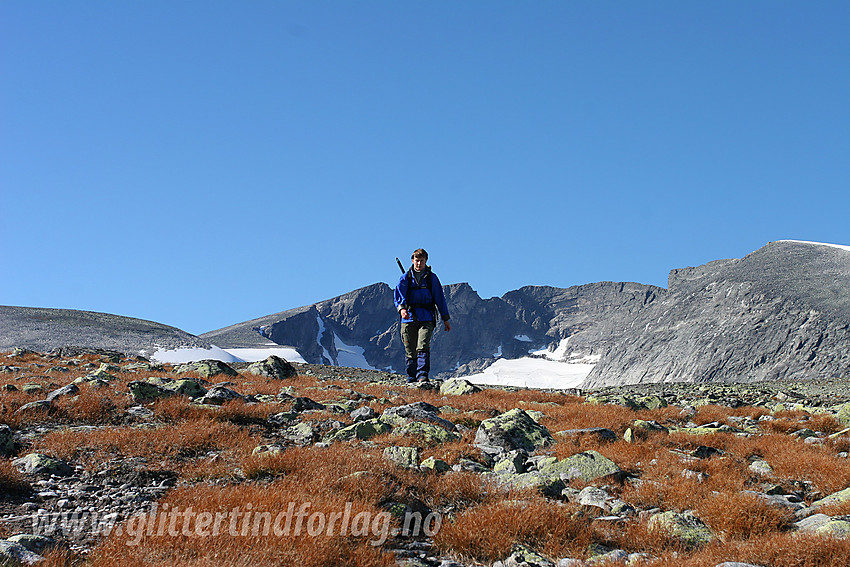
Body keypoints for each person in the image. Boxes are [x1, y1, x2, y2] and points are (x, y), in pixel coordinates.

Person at [394, 248, 451, 383]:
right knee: (410, 349)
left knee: (423, 346)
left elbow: (440, 299)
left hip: (427, 318)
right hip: (408, 318)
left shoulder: (432, 279)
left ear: (426, 261)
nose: (419, 263)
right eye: (417, 261)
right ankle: (411, 377)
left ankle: (422, 376)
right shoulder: (405, 278)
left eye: (421, 261)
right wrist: (402, 309)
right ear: (412, 260)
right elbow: (398, 296)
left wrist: (445, 319)